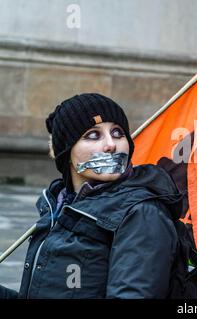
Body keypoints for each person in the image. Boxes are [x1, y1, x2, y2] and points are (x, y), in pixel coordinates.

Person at [0, 93, 186, 298]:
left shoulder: (142, 213)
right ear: (66, 153)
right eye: (93, 135)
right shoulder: (57, 207)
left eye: (117, 133)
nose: (111, 144)